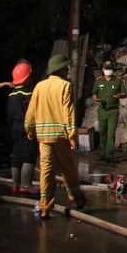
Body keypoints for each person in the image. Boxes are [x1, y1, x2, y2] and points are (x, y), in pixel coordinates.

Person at [24, 54, 86, 218]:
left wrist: (29, 131)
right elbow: (69, 113)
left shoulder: (39, 86)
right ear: (61, 69)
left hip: (44, 138)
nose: (68, 70)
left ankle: (45, 207)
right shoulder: (65, 86)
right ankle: (77, 198)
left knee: (46, 172)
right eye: (66, 67)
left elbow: (31, 112)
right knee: (68, 169)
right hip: (61, 138)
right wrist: (73, 138)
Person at [7, 60, 37, 195]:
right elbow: (33, 113)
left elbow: (9, 115)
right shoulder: (29, 94)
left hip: (14, 129)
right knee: (29, 156)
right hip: (27, 129)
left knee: (17, 156)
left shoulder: (11, 95)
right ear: (27, 78)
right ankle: (26, 184)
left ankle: (16, 184)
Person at [92, 60, 127, 164]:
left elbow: (124, 93)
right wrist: (96, 100)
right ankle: (103, 154)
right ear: (103, 69)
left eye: (110, 69)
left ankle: (109, 155)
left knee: (111, 133)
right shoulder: (98, 81)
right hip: (102, 110)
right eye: (107, 69)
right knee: (103, 132)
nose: (108, 70)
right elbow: (94, 94)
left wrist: (119, 95)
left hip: (113, 110)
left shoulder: (118, 81)